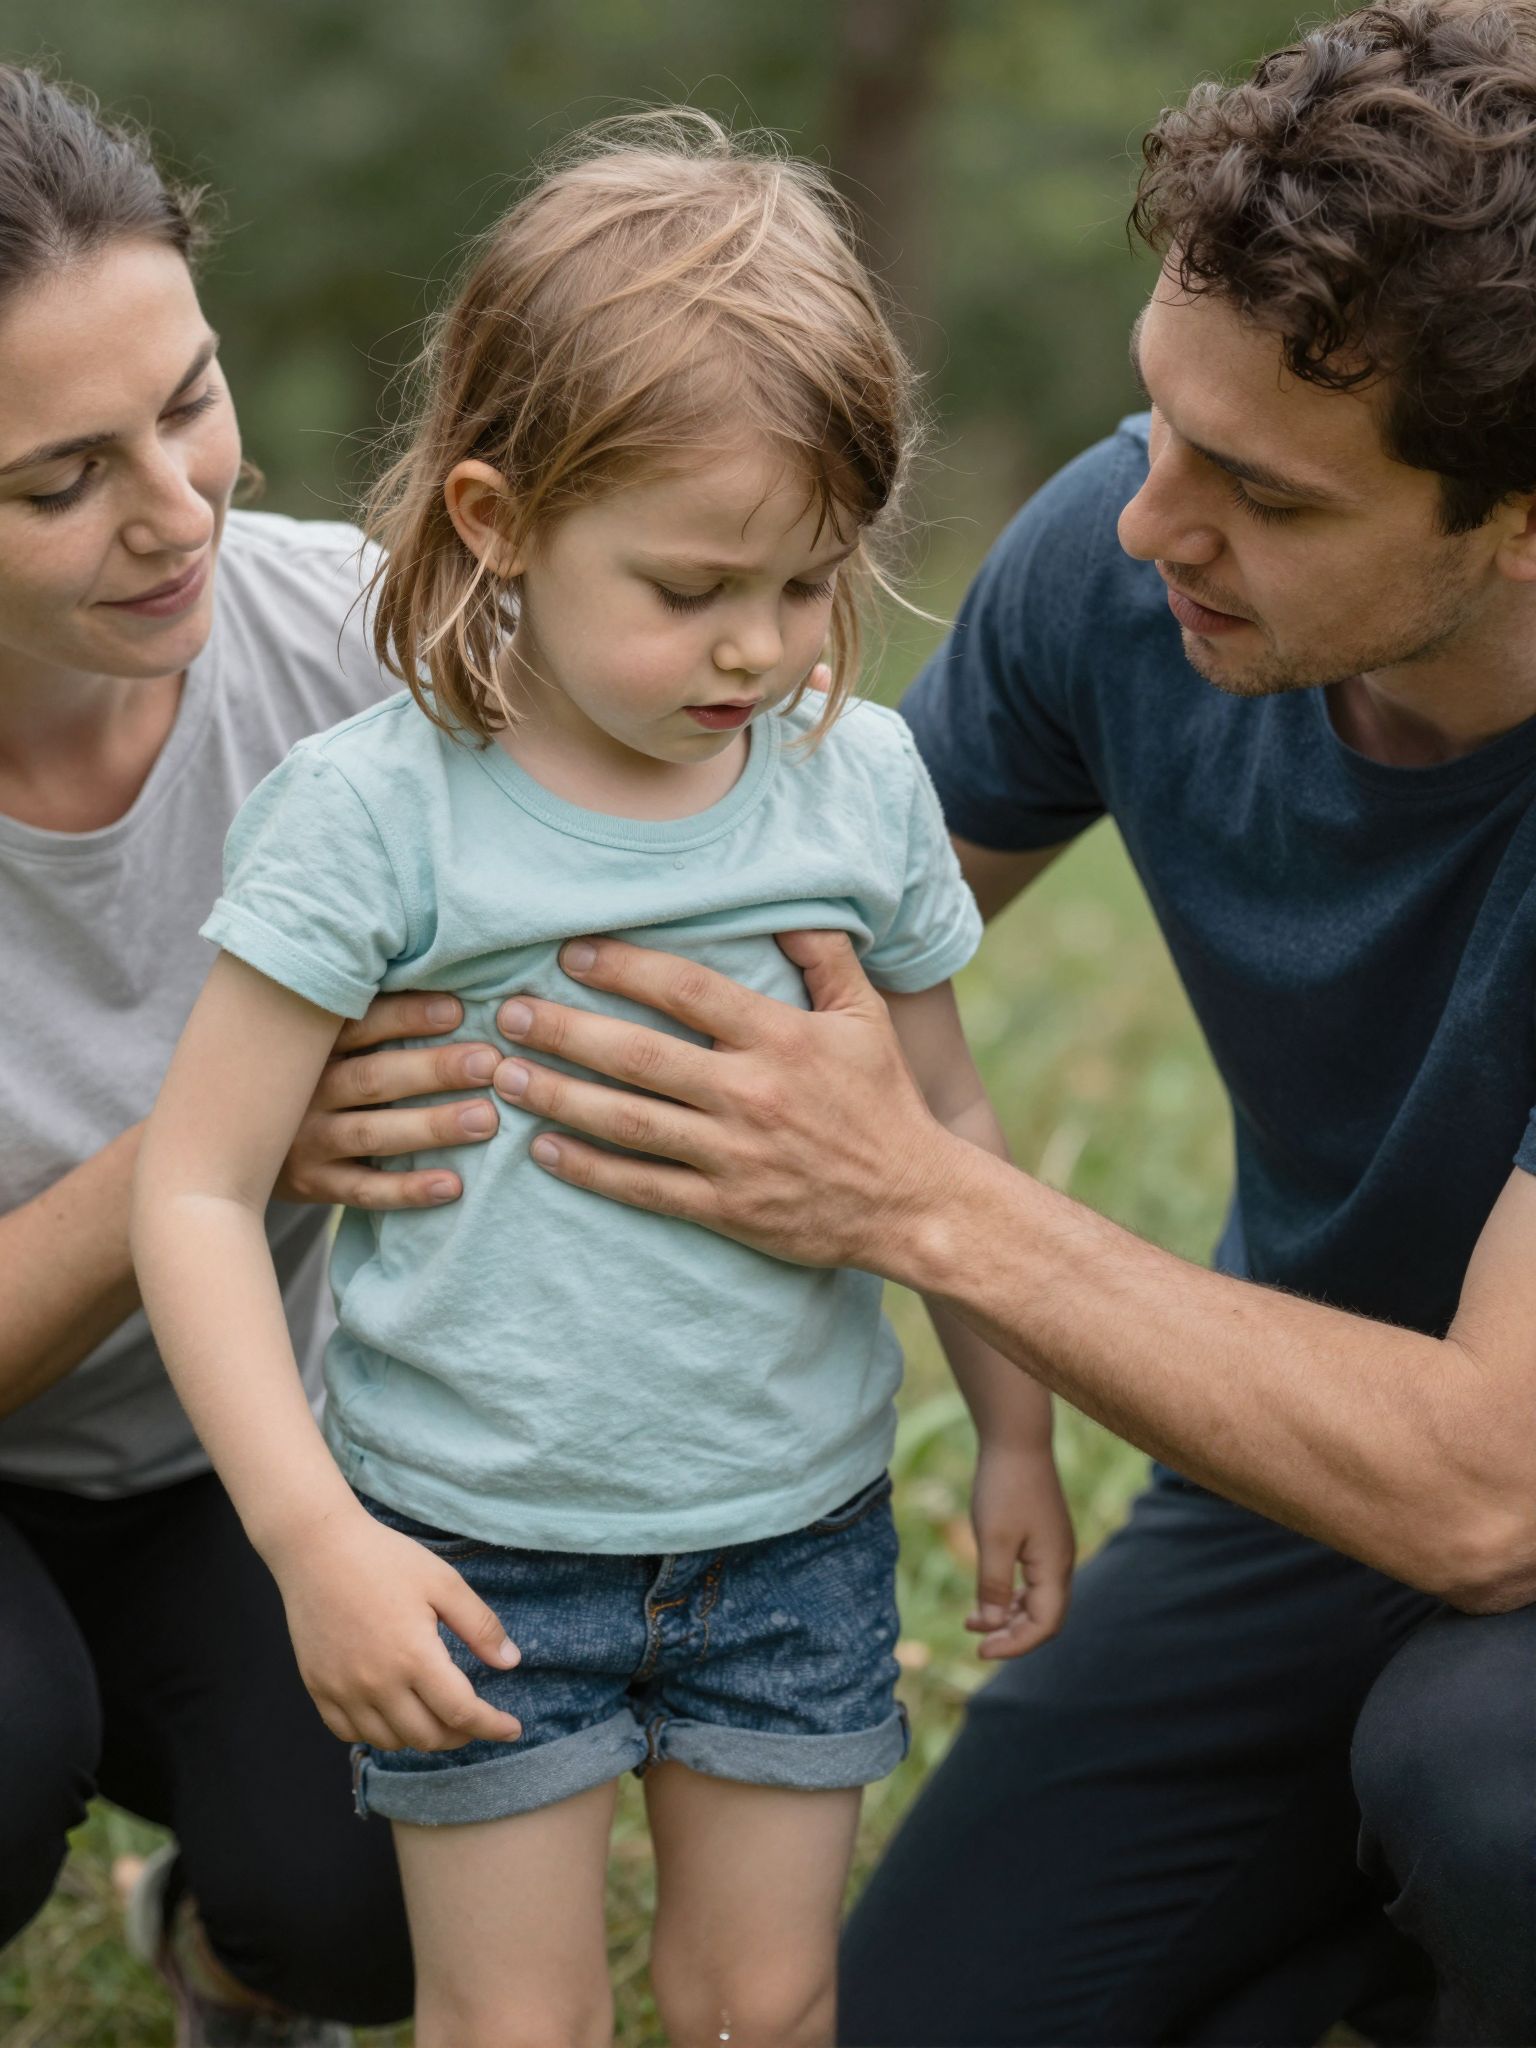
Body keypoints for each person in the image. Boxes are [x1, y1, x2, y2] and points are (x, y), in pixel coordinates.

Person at [464, 7, 1536, 2044]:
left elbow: (1495, 1488)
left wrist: (920, 1200)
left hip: (1492, 1500)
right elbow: (764, 924)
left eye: (1265, 496)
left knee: (1483, 1783)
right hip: (1296, 1484)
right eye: (1160, 426)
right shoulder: (1126, 562)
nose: (1150, 528)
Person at [131, 114, 1074, 2048]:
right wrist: (319, 1543)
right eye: (692, 585)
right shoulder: (376, 818)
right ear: (498, 519)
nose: (761, 646)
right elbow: (199, 1190)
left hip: (793, 1529)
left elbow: (949, 1133)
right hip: (469, 1546)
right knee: (515, 2026)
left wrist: (1018, 1433)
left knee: (769, 2000)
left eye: (813, 586)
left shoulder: (856, 785)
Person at [0, 66, 510, 2045]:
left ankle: (224, 1945)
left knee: (392, 1883)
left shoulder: (357, 651)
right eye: (60, 481)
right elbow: (227, 1140)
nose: (179, 508)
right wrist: (217, 1139)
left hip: (260, 1447)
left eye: (190, 401)